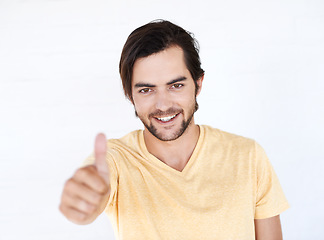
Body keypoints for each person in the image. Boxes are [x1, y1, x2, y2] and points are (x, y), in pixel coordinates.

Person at [59, 20, 289, 239]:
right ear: (130, 95)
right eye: (146, 90)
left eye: (176, 86)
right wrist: (83, 204)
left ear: (198, 84)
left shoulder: (248, 155)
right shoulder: (116, 161)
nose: (163, 105)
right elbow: (93, 193)